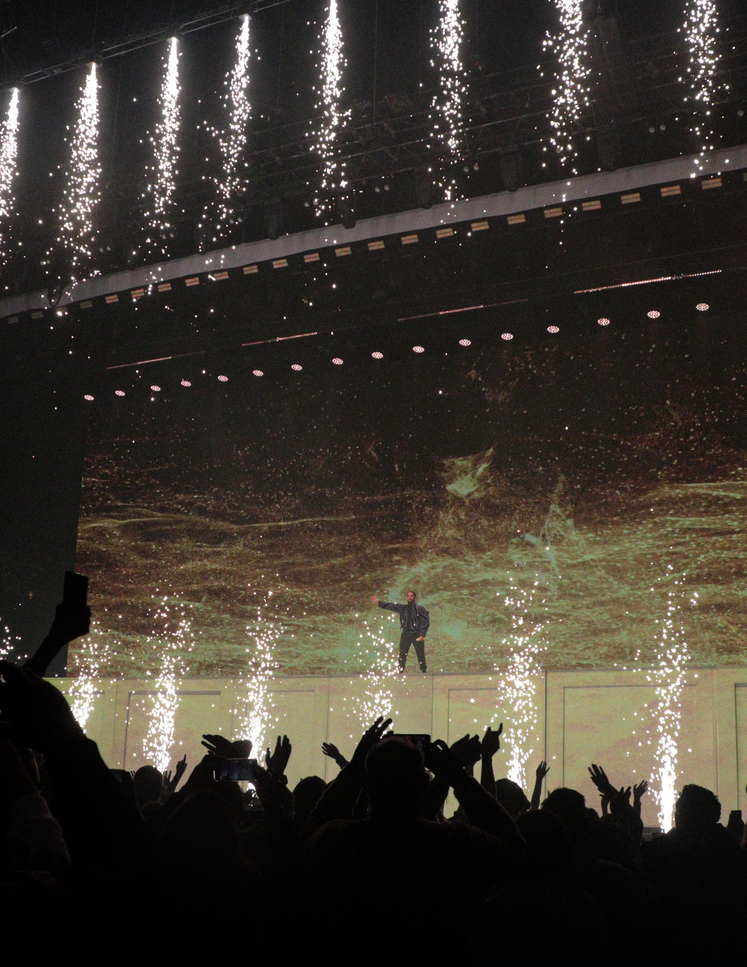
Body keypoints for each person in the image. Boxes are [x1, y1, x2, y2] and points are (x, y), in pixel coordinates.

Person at [370, 590, 429, 672]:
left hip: (416, 634)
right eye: (408, 596)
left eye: (411, 596)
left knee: (420, 654)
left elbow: (425, 622)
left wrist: (422, 634)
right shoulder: (403, 608)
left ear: (415, 597)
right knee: (402, 653)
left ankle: (423, 670)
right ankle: (401, 670)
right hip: (405, 633)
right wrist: (378, 602)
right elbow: (391, 606)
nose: (410, 597)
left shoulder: (420, 608)